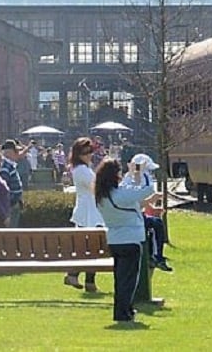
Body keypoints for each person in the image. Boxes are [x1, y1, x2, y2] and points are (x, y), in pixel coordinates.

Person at [95, 158, 156, 322]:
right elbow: (148, 189)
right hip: (131, 240)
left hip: (114, 240)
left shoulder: (102, 196)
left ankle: (124, 310)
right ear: (115, 175)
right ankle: (123, 313)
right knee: (129, 280)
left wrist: (131, 175)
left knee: (120, 279)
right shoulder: (120, 195)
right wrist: (143, 172)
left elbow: (128, 190)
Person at [64, 137, 105, 293]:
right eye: (85, 152)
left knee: (91, 247)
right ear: (78, 154)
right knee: (91, 247)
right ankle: (79, 277)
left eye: (90, 151)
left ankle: (81, 277)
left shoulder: (84, 168)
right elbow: (95, 187)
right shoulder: (81, 170)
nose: (89, 155)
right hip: (88, 211)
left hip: (90, 210)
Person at [133, 154, 172, 272]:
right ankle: (157, 256)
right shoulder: (136, 179)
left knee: (155, 224)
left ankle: (155, 256)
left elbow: (140, 202)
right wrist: (152, 200)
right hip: (133, 218)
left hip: (137, 215)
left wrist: (152, 208)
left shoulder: (137, 178)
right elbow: (136, 202)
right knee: (156, 225)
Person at [0, 139, 25, 227]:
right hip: (10, 206)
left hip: (13, 203)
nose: (18, 153)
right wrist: (11, 202)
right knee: (10, 233)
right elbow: (4, 188)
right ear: (9, 152)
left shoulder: (9, 165)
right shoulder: (5, 167)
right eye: (16, 151)